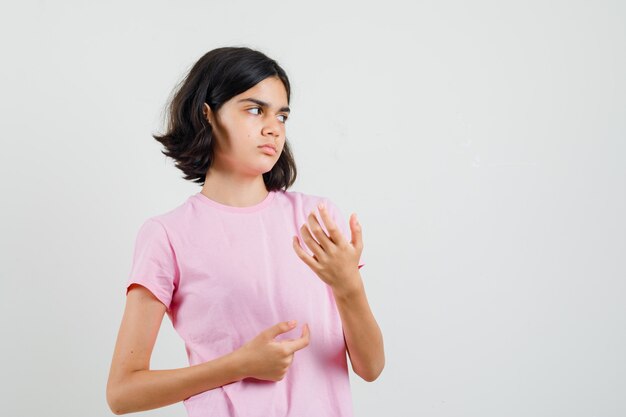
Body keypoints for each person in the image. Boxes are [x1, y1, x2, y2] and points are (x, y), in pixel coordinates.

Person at [106, 46, 385, 417]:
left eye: (281, 115)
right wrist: (239, 365)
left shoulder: (316, 219)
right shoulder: (167, 235)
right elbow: (123, 393)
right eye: (255, 110)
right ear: (207, 114)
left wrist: (348, 285)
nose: (273, 127)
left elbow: (371, 368)